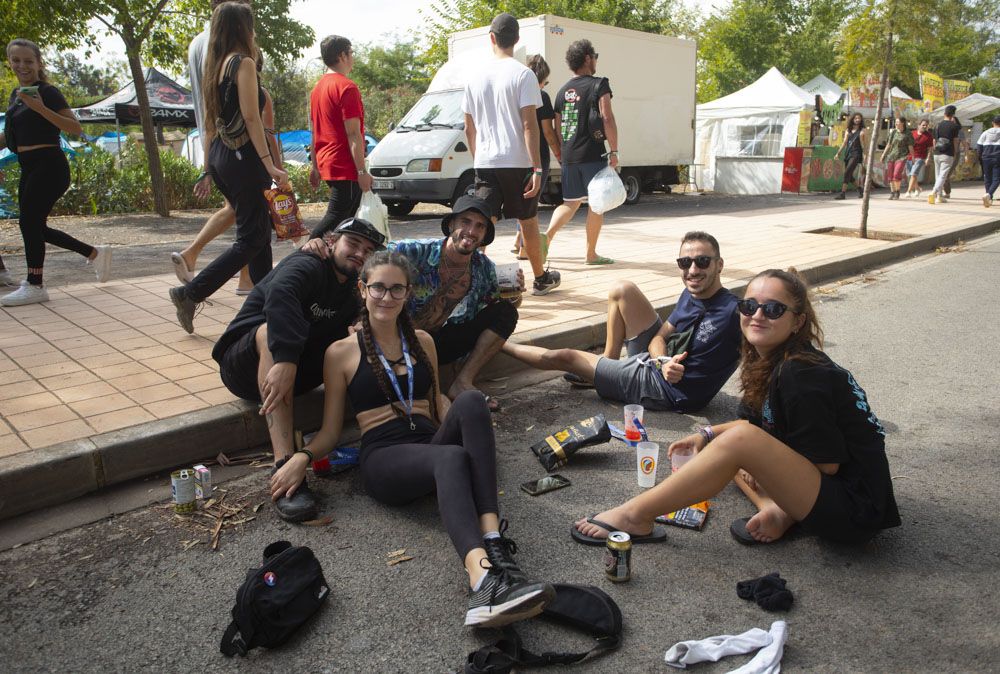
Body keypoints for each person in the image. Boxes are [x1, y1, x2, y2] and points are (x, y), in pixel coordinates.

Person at [269, 251, 556, 627]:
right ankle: (482, 578)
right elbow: (330, 432)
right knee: (451, 458)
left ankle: (494, 542)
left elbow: (438, 407)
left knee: (470, 401)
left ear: (407, 294)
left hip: (427, 445)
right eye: (378, 288)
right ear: (363, 289)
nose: (386, 297)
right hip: (384, 460)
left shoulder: (423, 342)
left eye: (396, 289)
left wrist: (472, 429)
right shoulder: (340, 353)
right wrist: (301, 457)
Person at [571, 268, 901, 548]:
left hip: (853, 510)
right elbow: (752, 425)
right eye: (749, 306)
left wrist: (758, 457)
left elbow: (827, 465)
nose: (757, 315)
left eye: (773, 310)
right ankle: (772, 509)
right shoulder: (776, 361)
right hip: (822, 494)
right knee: (726, 449)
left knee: (738, 445)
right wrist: (706, 433)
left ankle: (635, 516)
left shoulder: (801, 375)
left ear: (798, 321)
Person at [213, 218, 385, 522]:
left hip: (298, 373)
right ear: (332, 242)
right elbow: (280, 294)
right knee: (269, 333)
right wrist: (287, 358)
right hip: (244, 364)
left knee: (357, 340)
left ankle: (381, 438)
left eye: (368, 250)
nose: (359, 253)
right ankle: (284, 465)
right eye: (353, 244)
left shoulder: (354, 291)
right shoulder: (308, 263)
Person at [502, 231, 740, 412]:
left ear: (719, 265)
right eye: (685, 263)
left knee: (566, 357)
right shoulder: (691, 293)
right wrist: (663, 362)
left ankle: (500, 343)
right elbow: (659, 338)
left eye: (703, 262)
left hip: (668, 391)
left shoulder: (733, 313)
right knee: (622, 289)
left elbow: (768, 348)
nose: (693, 270)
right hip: (660, 366)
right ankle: (608, 364)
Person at [168, 1, 288, 333]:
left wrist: (208, 169)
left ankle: (266, 307)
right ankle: (189, 293)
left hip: (222, 156)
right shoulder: (243, 64)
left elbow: (209, 124)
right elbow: (252, 118)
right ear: (243, 29)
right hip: (244, 158)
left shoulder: (215, 67)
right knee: (251, 239)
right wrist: (271, 165)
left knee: (260, 234)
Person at [0, 38, 112, 307]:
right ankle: (95, 253)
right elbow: (8, 136)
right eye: (16, 60)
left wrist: (40, 108)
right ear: (9, 62)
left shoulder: (48, 93)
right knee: (34, 226)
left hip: (50, 165)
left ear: (39, 64)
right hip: (28, 165)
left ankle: (36, 284)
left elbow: (75, 128)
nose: (22, 65)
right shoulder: (16, 96)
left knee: (29, 224)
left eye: (28, 61)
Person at [391, 196, 522, 412]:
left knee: (506, 312)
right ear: (451, 224)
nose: (471, 231)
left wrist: (515, 292)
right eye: (466, 222)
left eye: (479, 226)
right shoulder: (412, 251)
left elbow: (500, 307)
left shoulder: (484, 268)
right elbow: (369, 261)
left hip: (442, 343)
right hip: (399, 340)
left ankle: (462, 383)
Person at [462, 13, 561, 296]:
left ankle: (468, 278)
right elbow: (530, 125)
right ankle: (541, 279)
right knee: (527, 220)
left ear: (491, 38)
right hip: (517, 162)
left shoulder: (474, 77)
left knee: (482, 220)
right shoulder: (523, 74)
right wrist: (537, 168)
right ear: (517, 40)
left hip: (485, 161)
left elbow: (470, 128)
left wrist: (479, 157)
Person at [544, 39, 618, 265]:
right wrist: (614, 150)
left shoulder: (562, 91)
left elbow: (557, 126)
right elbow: (607, 117)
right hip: (593, 154)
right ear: (587, 58)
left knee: (570, 203)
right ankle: (591, 254)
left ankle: (545, 238)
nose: (596, 60)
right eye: (594, 55)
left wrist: (560, 153)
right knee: (597, 204)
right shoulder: (599, 84)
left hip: (569, 157)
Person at [307, 34, 371, 239]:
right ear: (342, 55)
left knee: (342, 229)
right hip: (345, 166)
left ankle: (326, 268)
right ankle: (300, 260)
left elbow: (315, 129)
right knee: (336, 222)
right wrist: (362, 171)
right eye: (351, 52)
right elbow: (353, 134)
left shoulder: (318, 88)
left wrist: (315, 166)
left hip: (327, 162)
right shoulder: (347, 87)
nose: (352, 57)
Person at [512, 55, 561, 259]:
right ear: (540, 80)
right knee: (531, 203)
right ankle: (525, 248)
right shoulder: (542, 97)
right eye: (545, 81)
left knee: (522, 199)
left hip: (517, 155)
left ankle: (517, 240)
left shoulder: (516, 95)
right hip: (537, 156)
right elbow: (548, 132)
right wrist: (559, 153)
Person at [929, 104, 961, 205]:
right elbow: (955, 141)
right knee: (943, 175)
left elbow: (934, 141)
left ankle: (939, 196)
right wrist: (955, 152)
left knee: (938, 175)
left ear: (944, 113)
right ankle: (934, 192)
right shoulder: (954, 126)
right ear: (953, 115)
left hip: (937, 153)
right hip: (948, 153)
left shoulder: (937, 125)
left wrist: (935, 150)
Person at [834, 112, 867, 200]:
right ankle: (860, 189)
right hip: (848, 153)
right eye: (856, 118)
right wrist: (838, 153)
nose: (857, 120)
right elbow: (844, 142)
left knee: (847, 172)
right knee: (850, 175)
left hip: (856, 154)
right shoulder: (848, 130)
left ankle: (843, 193)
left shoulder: (862, 130)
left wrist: (865, 154)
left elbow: (864, 144)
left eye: (859, 118)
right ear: (852, 119)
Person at [879, 116, 913, 200]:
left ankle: (897, 191)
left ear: (903, 123)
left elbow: (910, 146)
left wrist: (913, 156)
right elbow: (888, 144)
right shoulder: (893, 132)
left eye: (898, 122)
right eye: (896, 122)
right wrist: (883, 154)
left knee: (896, 174)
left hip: (902, 156)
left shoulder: (908, 133)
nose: (896, 123)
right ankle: (892, 192)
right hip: (891, 155)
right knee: (890, 176)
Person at [974, 114, 1000, 208]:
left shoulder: (985, 132)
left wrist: (980, 156)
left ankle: (989, 198)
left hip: (986, 158)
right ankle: (989, 195)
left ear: (993, 123)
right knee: (996, 179)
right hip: (997, 158)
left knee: (987, 178)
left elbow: (979, 146)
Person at [904, 118, 933, 198]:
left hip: (920, 157)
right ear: (918, 125)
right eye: (923, 125)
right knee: (910, 175)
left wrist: (928, 158)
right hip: (910, 156)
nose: (924, 127)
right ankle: (917, 189)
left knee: (913, 173)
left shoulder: (928, 136)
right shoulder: (912, 133)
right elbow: (907, 145)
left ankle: (908, 191)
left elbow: (930, 148)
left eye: (926, 125)